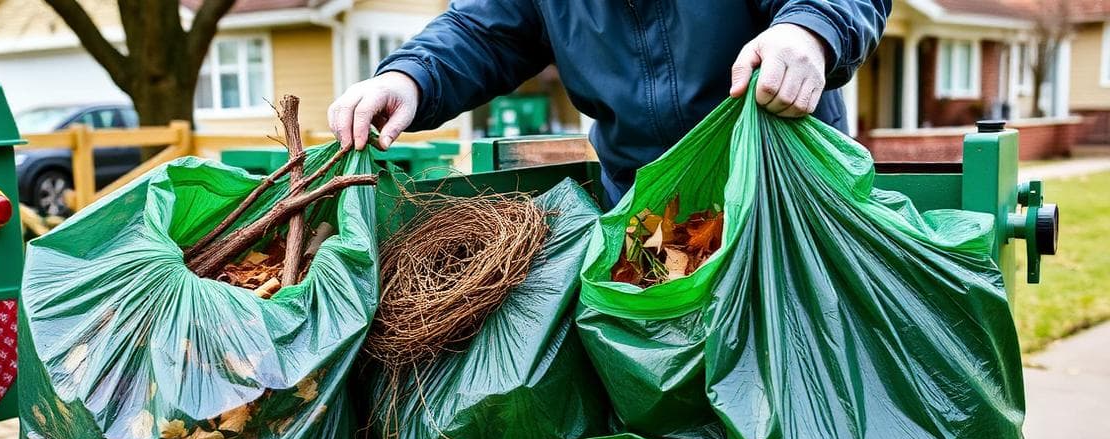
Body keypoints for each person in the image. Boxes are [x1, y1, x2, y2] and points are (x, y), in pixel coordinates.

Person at [328, 0, 890, 204]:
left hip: (787, 196)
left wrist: (810, 29)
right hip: (643, 209)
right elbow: (483, 30)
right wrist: (408, 78)